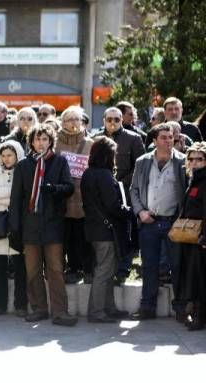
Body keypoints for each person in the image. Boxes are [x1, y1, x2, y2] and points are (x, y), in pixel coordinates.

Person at [9, 124, 78, 326]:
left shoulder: (59, 161)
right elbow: (16, 199)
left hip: (53, 225)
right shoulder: (23, 165)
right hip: (30, 226)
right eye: (37, 139)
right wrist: (15, 228)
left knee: (56, 270)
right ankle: (39, 308)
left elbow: (69, 188)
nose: (41, 143)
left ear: (51, 142)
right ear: (31, 142)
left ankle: (60, 312)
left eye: (45, 139)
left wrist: (53, 189)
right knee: (32, 270)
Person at [130, 123, 187, 320]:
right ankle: (147, 308)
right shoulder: (142, 162)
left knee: (178, 266)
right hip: (149, 222)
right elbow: (134, 190)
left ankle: (181, 309)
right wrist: (140, 212)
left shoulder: (182, 162)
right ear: (154, 141)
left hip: (174, 222)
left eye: (171, 137)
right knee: (149, 267)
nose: (169, 141)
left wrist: (182, 217)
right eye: (163, 137)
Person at [81, 137, 132, 323]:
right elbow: (112, 206)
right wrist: (128, 211)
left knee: (106, 270)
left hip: (94, 229)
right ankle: (96, 312)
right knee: (104, 271)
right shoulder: (104, 175)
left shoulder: (88, 173)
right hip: (106, 231)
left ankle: (109, 308)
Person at [93, 107, 145, 283]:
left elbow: (140, 167)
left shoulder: (134, 138)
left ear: (122, 120)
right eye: (109, 119)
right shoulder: (96, 139)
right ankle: (104, 270)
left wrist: (119, 182)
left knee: (125, 233)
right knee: (104, 235)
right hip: (100, 195)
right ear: (104, 121)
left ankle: (122, 271)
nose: (113, 123)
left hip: (125, 192)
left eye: (117, 119)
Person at [0, 141, 27, 317]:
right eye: (3, 155)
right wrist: (10, 194)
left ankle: (21, 305)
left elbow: (22, 196)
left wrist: (0, 195)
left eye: (10, 154)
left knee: (20, 268)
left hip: (17, 223)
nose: (6, 158)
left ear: (17, 154)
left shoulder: (23, 170)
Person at [54, 106, 94, 284]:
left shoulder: (91, 144)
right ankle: (71, 268)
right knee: (66, 237)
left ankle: (87, 269)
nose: (74, 123)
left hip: (84, 197)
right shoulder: (54, 144)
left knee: (84, 236)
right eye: (69, 119)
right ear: (62, 123)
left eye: (77, 119)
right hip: (62, 198)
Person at [174, 142, 206, 330]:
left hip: (200, 239)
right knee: (194, 277)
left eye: (199, 159)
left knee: (200, 278)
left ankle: (200, 317)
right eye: (191, 159)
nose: (194, 162)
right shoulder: (194, 180)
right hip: (191, 239)